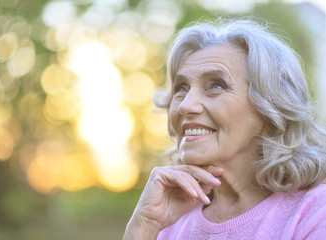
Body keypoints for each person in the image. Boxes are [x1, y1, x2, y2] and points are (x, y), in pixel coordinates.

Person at [123, 18, 326, 240]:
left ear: (270, 109)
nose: (186, 105)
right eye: (181, 88)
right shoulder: (166, 219)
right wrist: (143, 227)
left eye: (216, 85)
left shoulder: (315, 213)